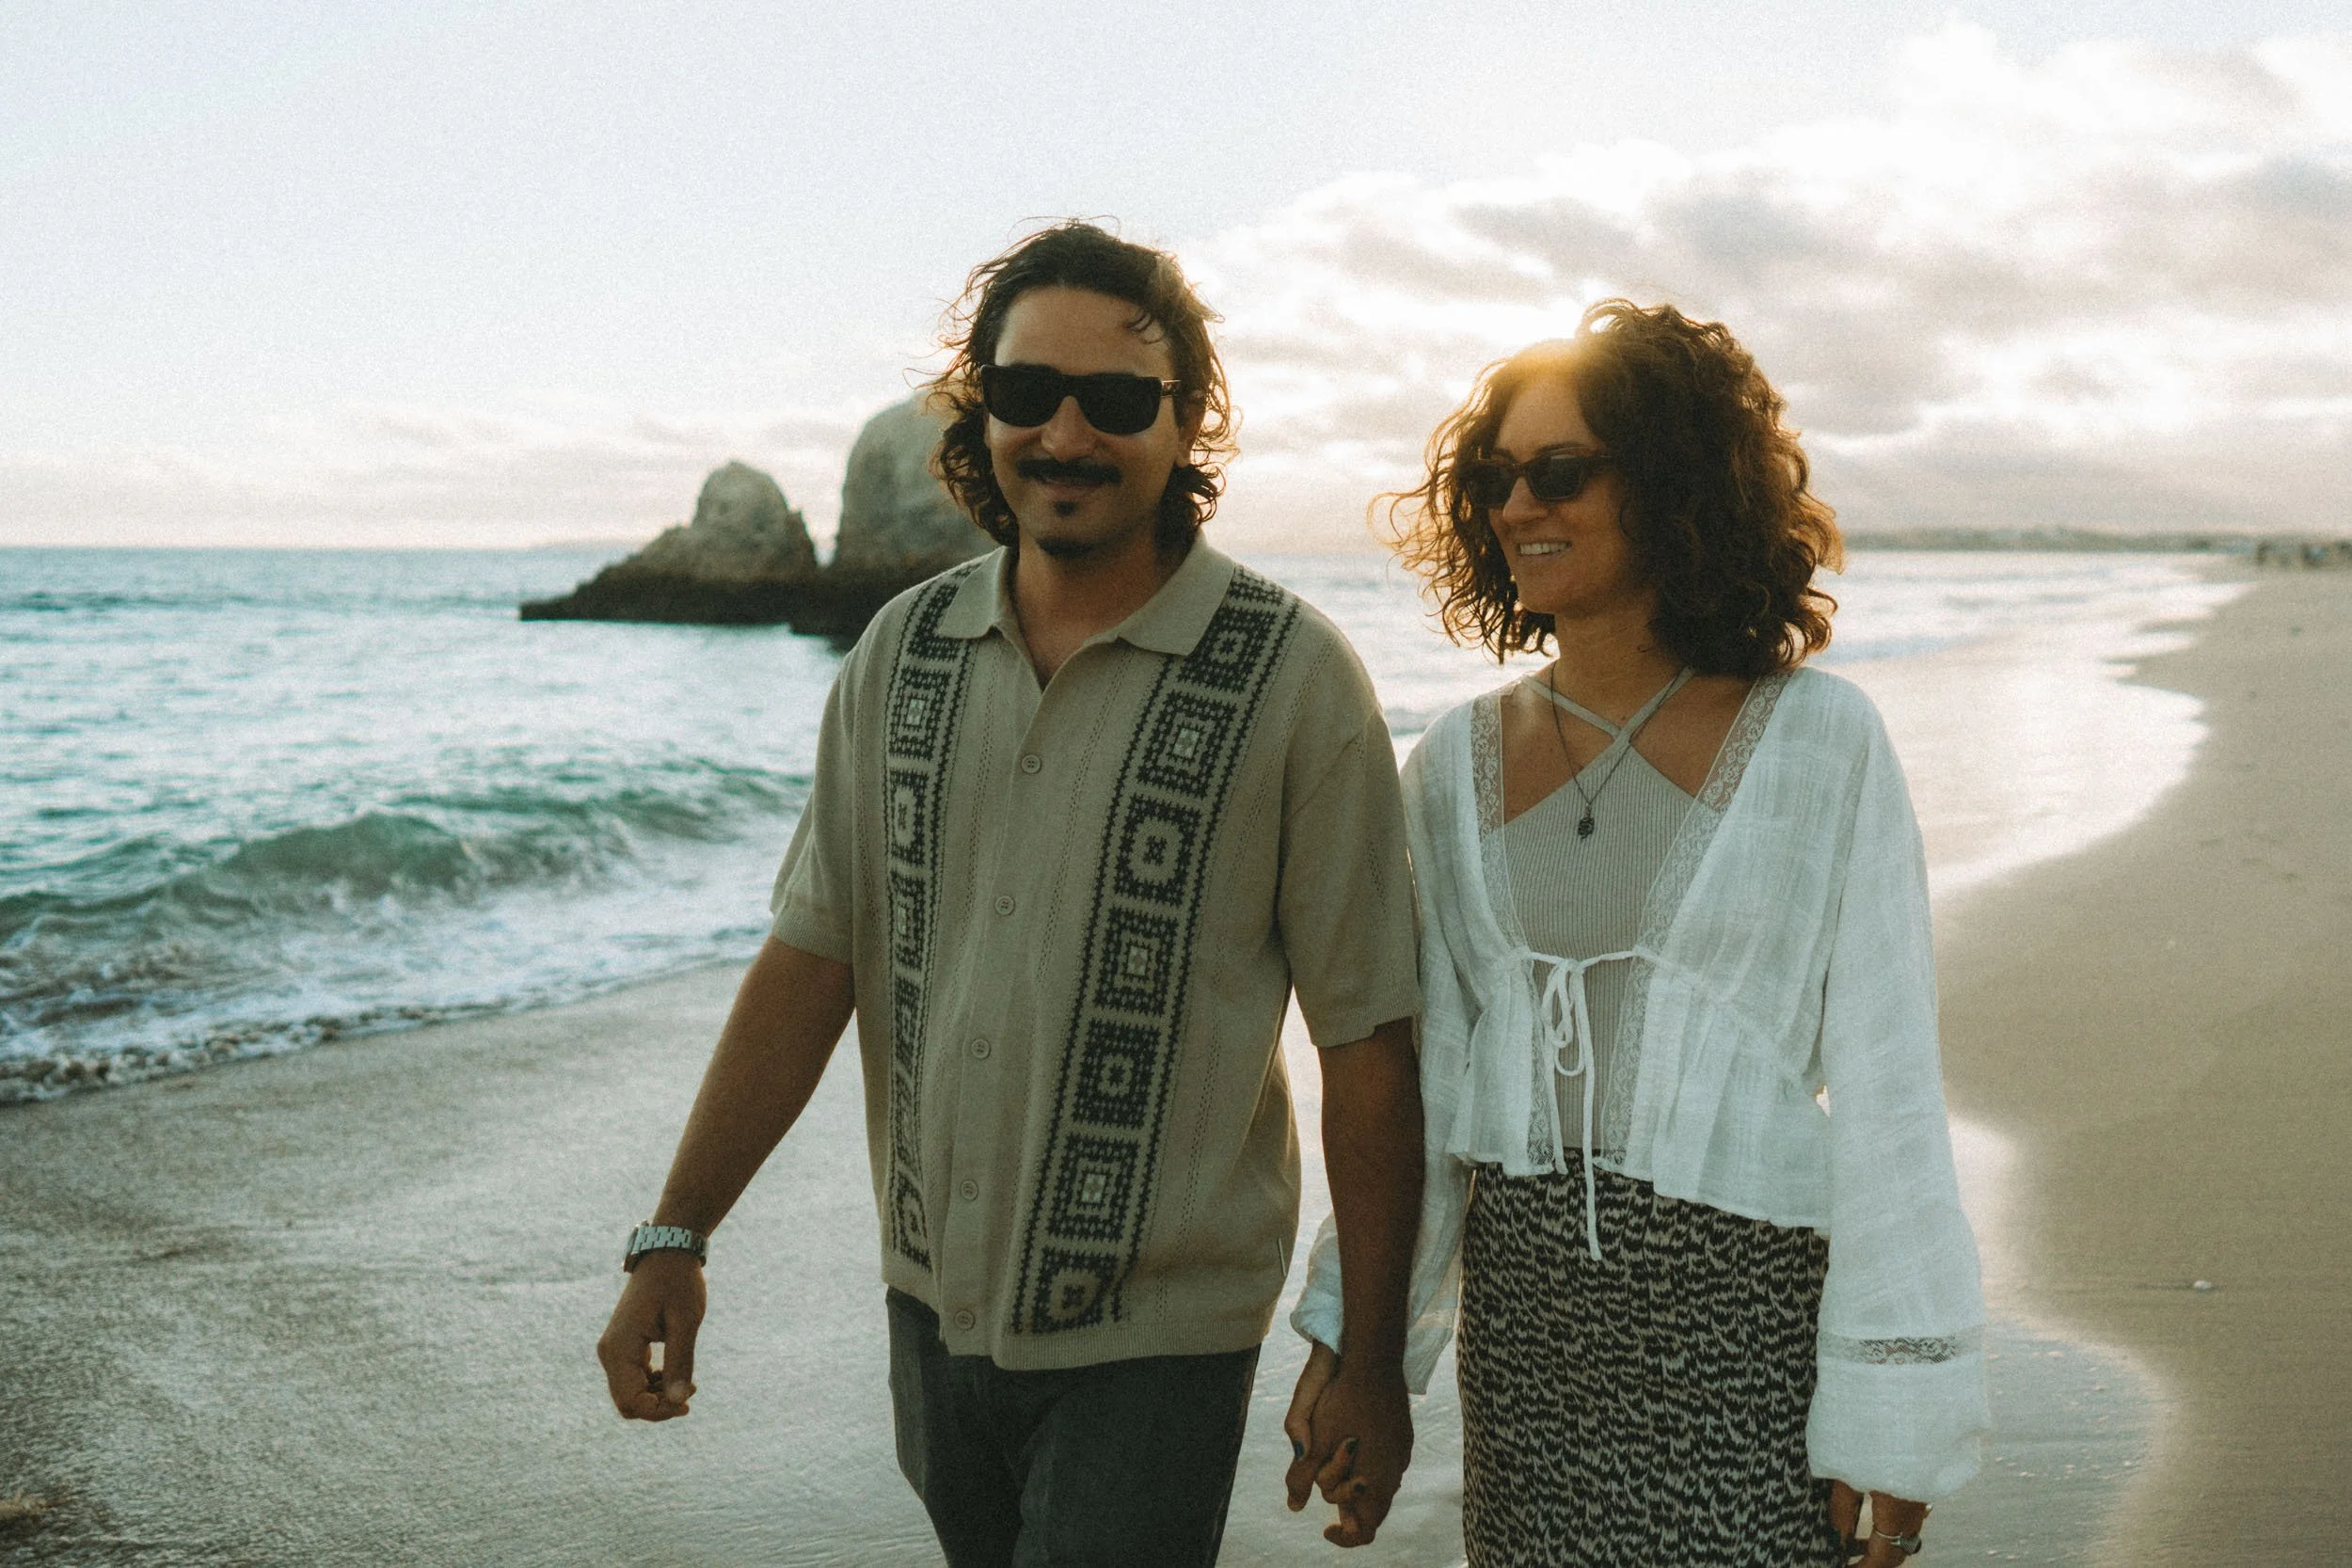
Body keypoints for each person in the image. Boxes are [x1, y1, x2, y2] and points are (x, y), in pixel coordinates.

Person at [596, 221, 1428, 1566]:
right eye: (1027, 393)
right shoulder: (901, 654)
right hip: (930, 1315)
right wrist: (674, 1232)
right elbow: (811, 963)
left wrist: (1369, 1351)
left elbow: (1370, 1041)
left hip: (1161, 1340)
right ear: (982, 408)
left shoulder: (1293, 679)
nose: (1066, 434)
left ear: (1185, 419)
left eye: (1115, 400)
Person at [1287, 302, 1989, 1566]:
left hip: (1752, 1328)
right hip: (1535, 1341)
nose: (1514, 505)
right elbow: (1436, 1083)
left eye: (1558, 471)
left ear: (1671, 482)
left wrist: (1893, 1410)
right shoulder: (1449, 766)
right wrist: (1361, 1346)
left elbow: (1889, 1086)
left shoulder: (1822, 742)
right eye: (1494, 478)